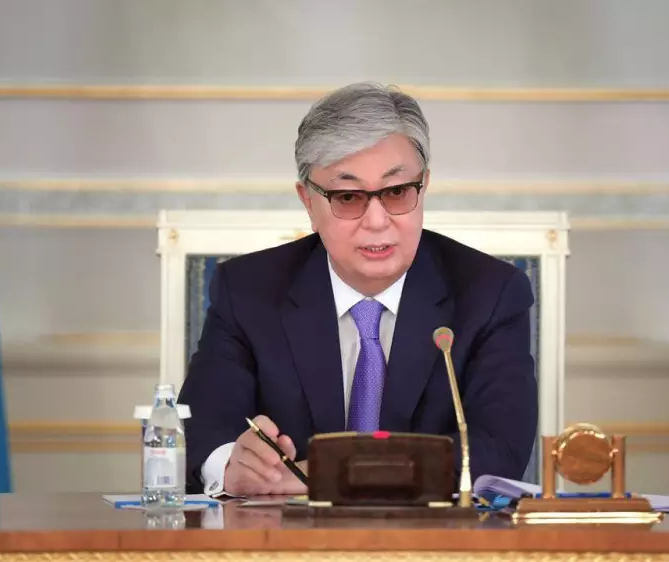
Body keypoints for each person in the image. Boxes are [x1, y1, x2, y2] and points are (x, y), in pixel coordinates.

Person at [178, 82, 538, 497]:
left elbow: (498, 452)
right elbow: (202, 426)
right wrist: (232, 466)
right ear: (308, 202)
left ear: (424, 186)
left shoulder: (490, 294)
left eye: (397, 192)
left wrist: (319, 477)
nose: (377, 221)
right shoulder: (248, 291)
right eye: (348, 196)